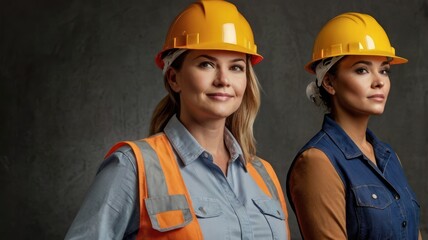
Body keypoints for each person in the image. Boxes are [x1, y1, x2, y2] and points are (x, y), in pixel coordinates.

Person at [65, 0, 290, 239]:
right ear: (174, 78)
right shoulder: (133, 166)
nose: (223, 79)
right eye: (206, 64)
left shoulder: (263, 174)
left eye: (236, 67)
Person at [286, 12, 422, 239]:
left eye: (384, 70)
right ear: (329, 82)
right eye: (362, 69)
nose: (379, 81)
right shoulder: (318, 162)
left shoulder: (389, 158)